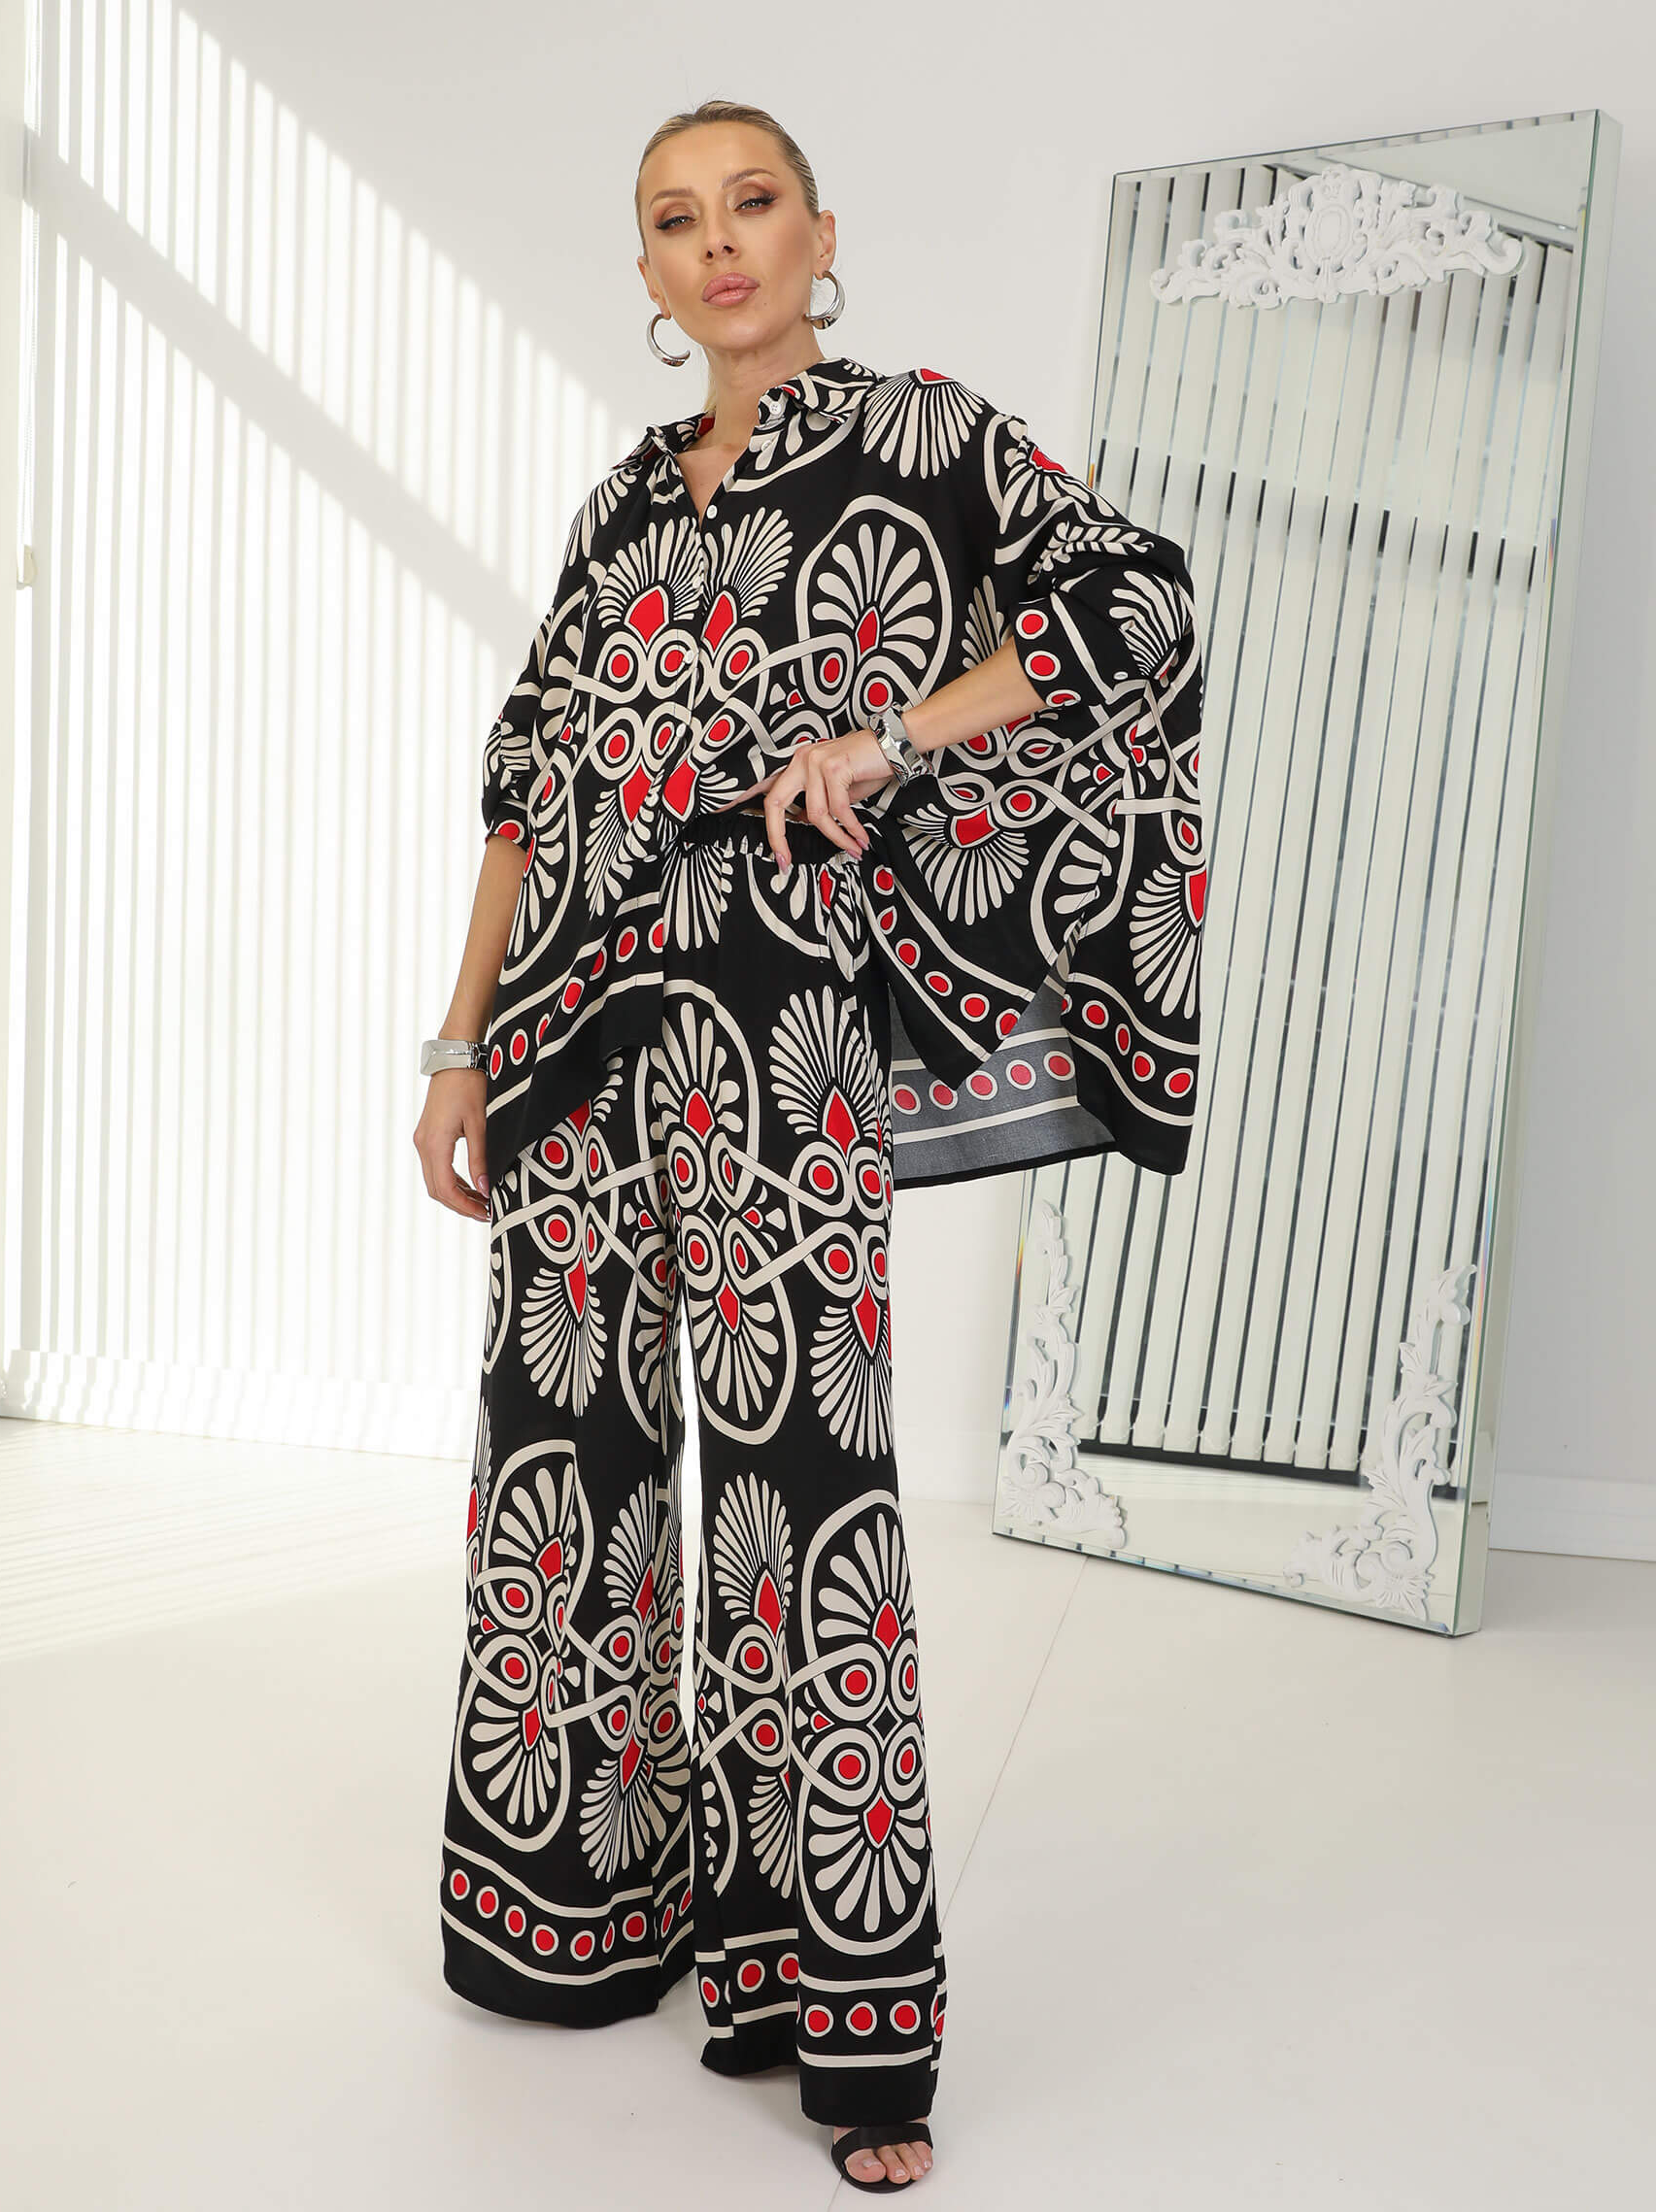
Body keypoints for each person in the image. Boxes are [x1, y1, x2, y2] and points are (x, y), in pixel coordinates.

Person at [413, 97, 1204, 2195]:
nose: (720, 243)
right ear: (648, 272)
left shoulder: (921, 435)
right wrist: (458, 1044)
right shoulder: (616, 502)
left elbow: (1134, 607)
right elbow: (526, 790)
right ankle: (580, 1914)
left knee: (802, 1489)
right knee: (565, 1473)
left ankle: (847, 2012)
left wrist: (891, 735)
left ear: (817, 228)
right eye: (677, 220)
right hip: (574, 1036)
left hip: (781, 1038)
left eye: (751, 203)